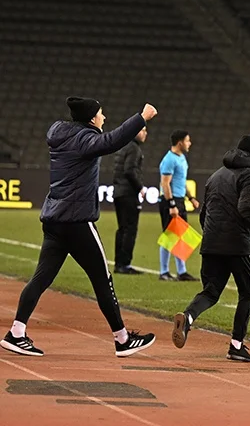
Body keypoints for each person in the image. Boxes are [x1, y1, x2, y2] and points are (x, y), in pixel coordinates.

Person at [1, 97, 158, 357]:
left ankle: (16, 332)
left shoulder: (62, 134)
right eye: (101, 113)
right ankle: (122, 339)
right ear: (90, 119)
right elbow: (112, 141)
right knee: (103, 280)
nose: (104, 118)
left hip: (54, 219)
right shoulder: (84, 141)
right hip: (77, 222)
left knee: (41, 278)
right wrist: (141, 117)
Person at [172, 135, 250, 363]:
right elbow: (247, 208)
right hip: (237, 245)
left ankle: (188, 317)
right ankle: (236, 346)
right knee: (248, 292)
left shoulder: (215, 175)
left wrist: (211, 236)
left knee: (210, 291)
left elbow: (204, 213)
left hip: (211, 242)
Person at [159, 130, 200, 281]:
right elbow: (165, 183)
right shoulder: (169, 159)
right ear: (180, 142)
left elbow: (181, 180)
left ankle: (181, 271)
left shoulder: (182, 158)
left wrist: (191, 197)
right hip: (170, 200)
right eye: (188, 141)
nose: (189, 144)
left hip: (179, 200)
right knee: (169, 235)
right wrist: (171, 205)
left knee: (181, 235)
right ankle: (164, 272)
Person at [112, 126, 147, 274]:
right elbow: (130, 170)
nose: (145, 133)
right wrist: (140, 187)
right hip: (128, 194)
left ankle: (119, 263)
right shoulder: (134, 148)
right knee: (130, 229)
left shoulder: (123, 146)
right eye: (143, 130)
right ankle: (124, 264)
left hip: (118, 192)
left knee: (122, 229)